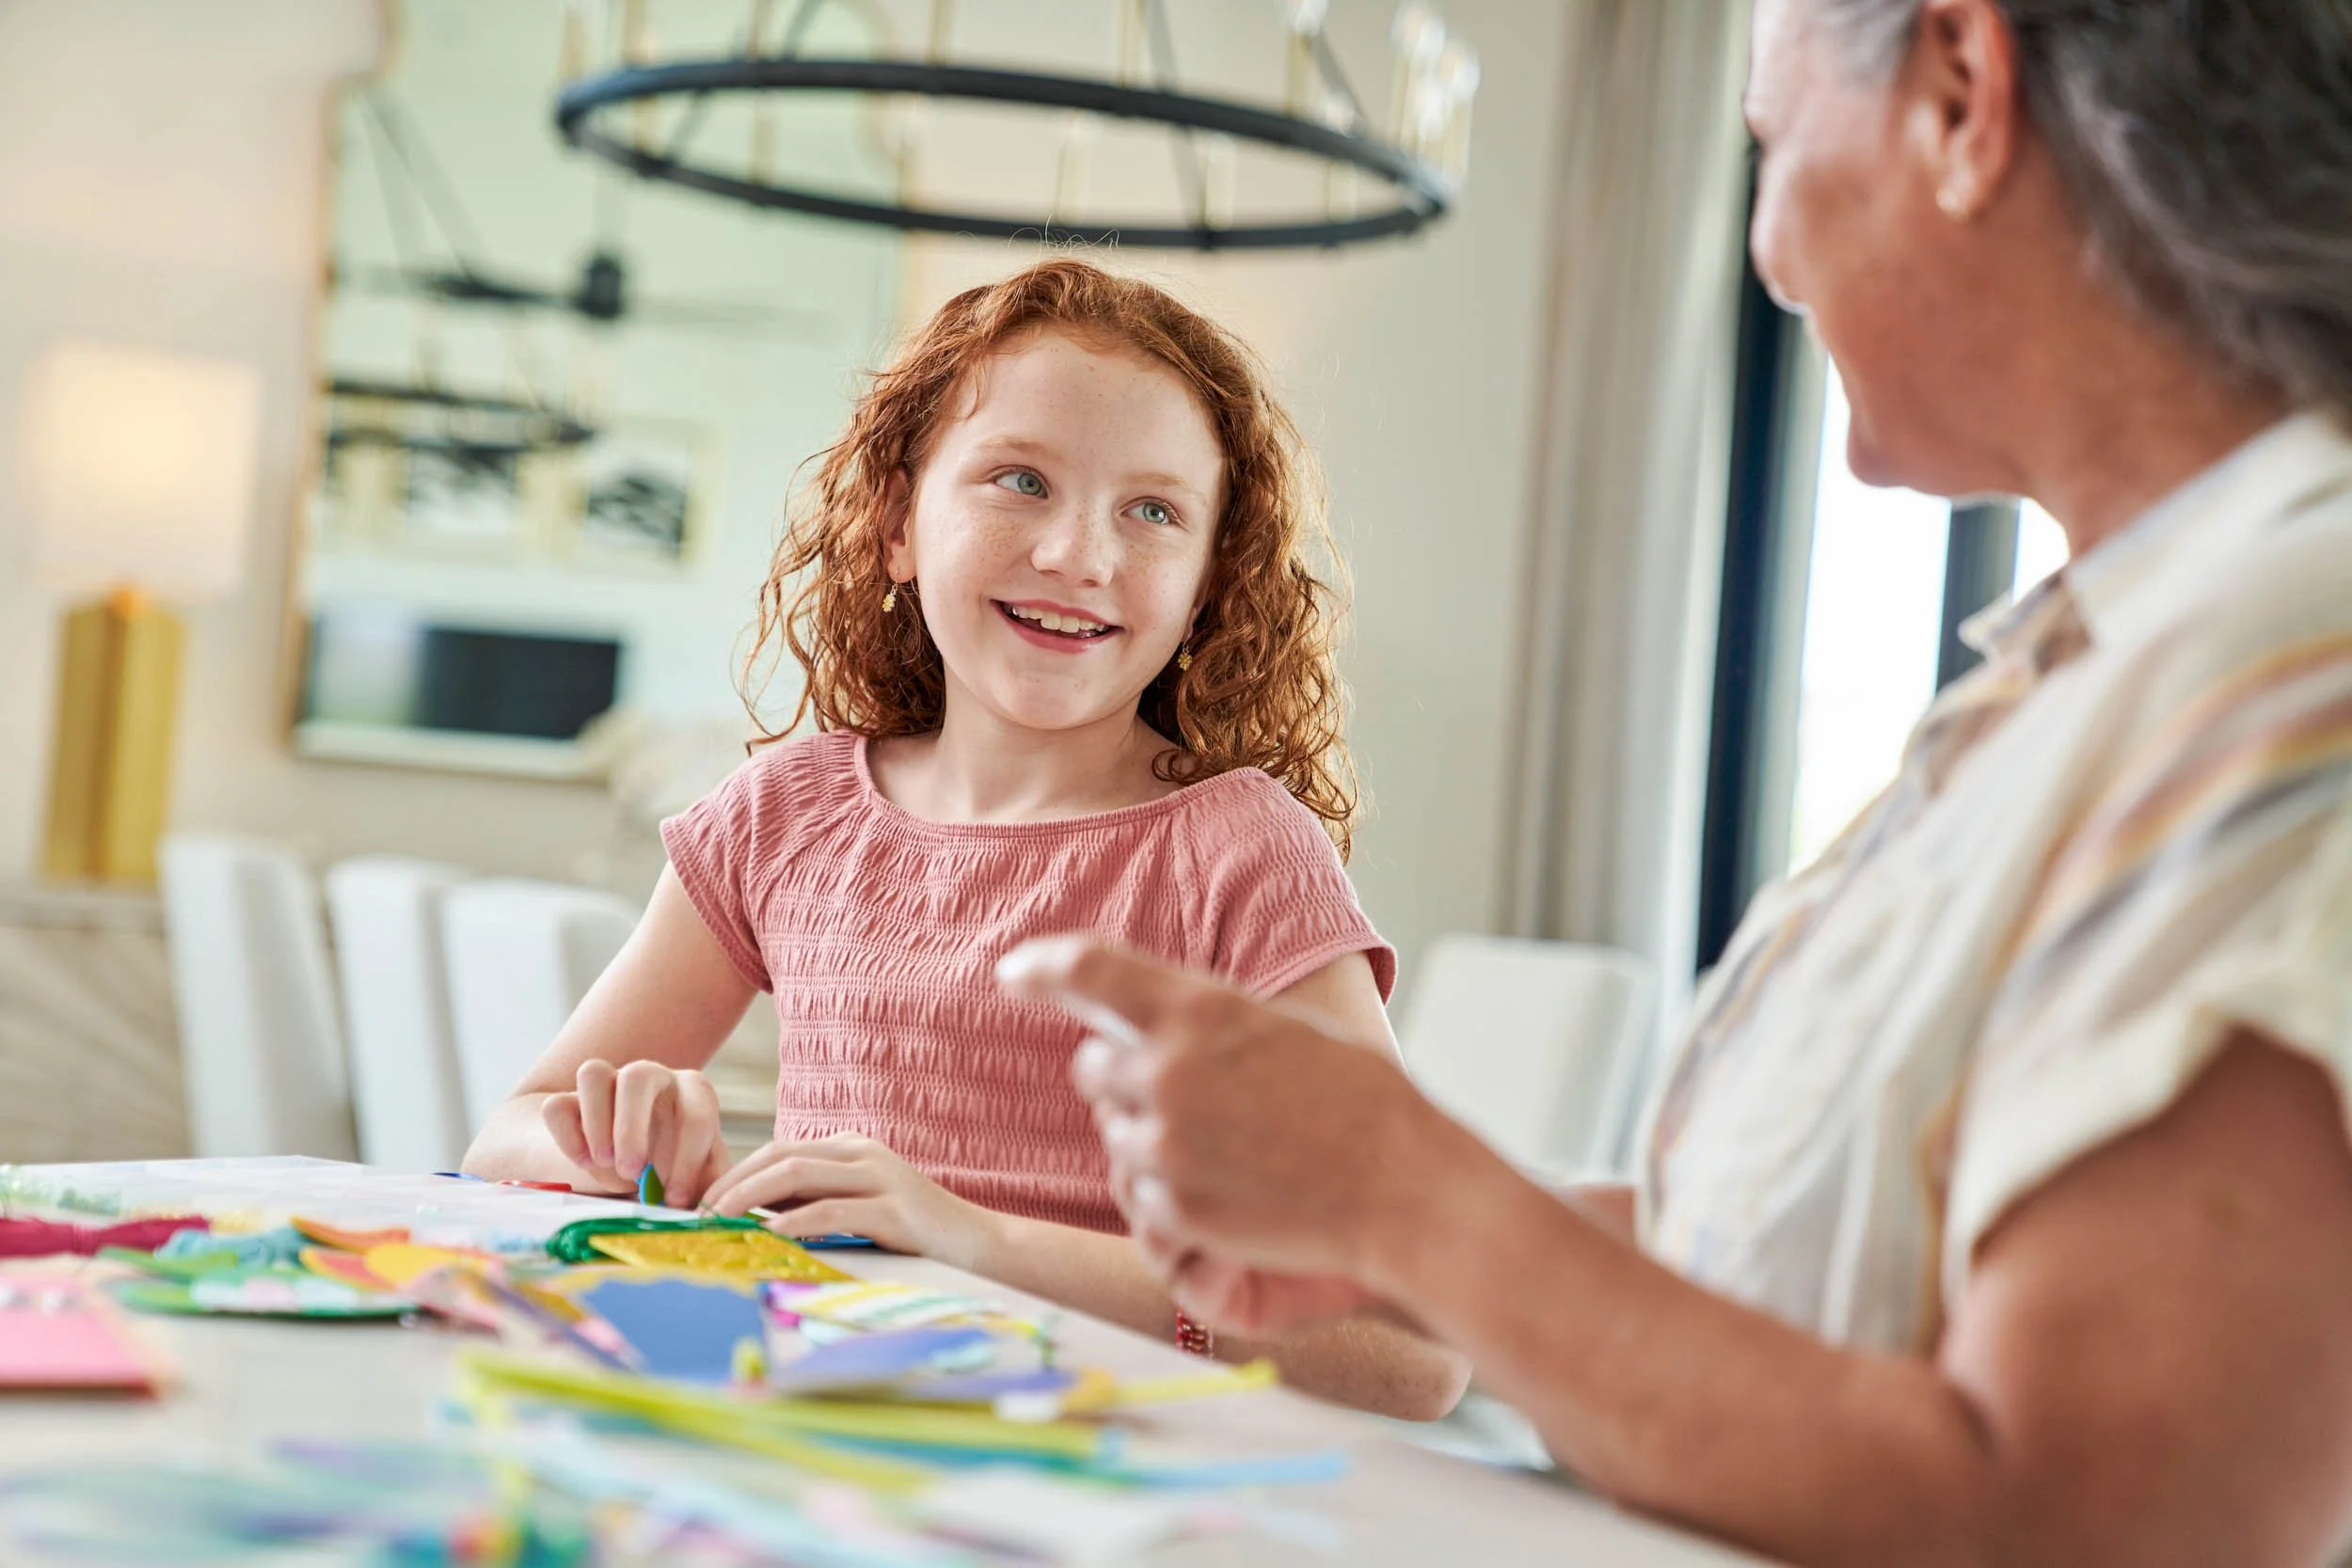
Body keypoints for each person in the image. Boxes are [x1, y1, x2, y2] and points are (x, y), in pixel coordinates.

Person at [1006, 1, 2352, 1562]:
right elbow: (1796, 1256)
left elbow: (2087, 1513)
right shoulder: (2102, 663)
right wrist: (1369, 1235)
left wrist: (1410, 1199)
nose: (1770, 252)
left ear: (1963, 95)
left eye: (1770, 143)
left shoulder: (2291, 666)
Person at [462, 259, 1468, 1420]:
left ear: (1207, 585)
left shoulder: (1237, 854)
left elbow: (1411, 1343)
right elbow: (505, 1133)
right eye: (1019, 479)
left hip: (1110, 1471)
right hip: (825, 1438)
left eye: (1153, 510)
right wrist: (605, 1140)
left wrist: (973, 1239)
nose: (1078, 555)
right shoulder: (785, 814)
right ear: (896, 522)